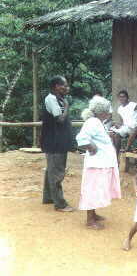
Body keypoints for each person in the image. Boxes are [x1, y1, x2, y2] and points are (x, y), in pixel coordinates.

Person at [76, 96, 121, 230]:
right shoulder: (93, 122)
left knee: (97, 190)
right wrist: (92, 147)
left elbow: (95, 136)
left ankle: (93, 214)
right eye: (107, 111)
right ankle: (90, 220)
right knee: (93, 190)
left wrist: (107, 136)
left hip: (101, 164)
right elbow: (81, 138)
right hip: (96, 165)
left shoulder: (96, 122)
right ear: (101, 112)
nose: (109, 113)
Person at [41, 75, 74, 212]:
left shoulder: (57, 99)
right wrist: (66, 106)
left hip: (57, 141)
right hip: (54, 142)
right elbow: (60, 120)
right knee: (57, 172)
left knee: (51, 170)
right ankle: (60, 204)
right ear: (56, 87)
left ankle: (48, 197)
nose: (67, 88)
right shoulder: (51, 99)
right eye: (64, 85)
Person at [110, 90, 137, 157]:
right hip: (125, 127)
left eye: (124, 97)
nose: (122, 98)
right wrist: (118, 125)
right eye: (120, 97)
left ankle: (126, 149)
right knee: (113, 134)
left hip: (133, 126)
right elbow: (122, 120)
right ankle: (115, 154)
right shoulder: (120, 108)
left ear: (127, 97)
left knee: (116, 133)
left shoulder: (133, 104)